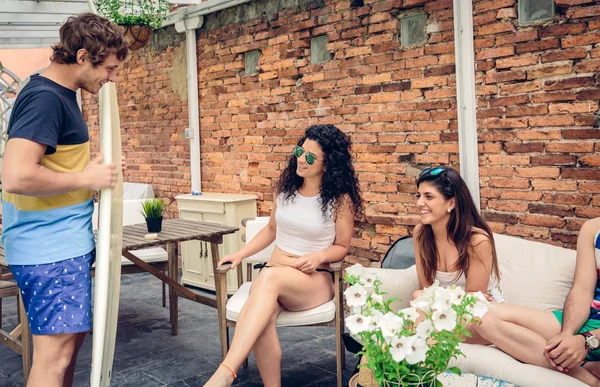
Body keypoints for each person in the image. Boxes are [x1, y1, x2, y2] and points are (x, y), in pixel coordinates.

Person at [1, 13, 128, 387]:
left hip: (59, 246)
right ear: (84, 56)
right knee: (53, 360)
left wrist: (84, 174)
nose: (112, 78)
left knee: (67, 349)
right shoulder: (44, 98)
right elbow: (16, 174)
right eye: (109, 68)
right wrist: (84, 177)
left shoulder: (62, 93)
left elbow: (50, 165)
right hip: (48, 250)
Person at [204, 124, 364, 387]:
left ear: (328, 164)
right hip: (276, 277)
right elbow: (271, 230)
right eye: (300, 151)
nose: (301, 159)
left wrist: (319, 256)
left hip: (313, 280)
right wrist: (240, 254)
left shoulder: (340, 200)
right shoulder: (285, 190)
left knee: (267, 281)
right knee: (260, 320)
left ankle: (224, 374)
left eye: (310, 157)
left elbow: (342, 247)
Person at [477, 217, 600, 386]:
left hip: (593, 336)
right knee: (483, 314)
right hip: (589, 321)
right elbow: (582, 289)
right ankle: (585, 375)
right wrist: (567, 334)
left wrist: (587, 341)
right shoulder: (593, 228)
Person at [413, 167, 503, 304]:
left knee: (417, 295)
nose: (419, 203)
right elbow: (426, 291)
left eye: (428, 196)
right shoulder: (420, 233)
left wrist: (428, 297)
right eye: (418, 196)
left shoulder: (477, 241)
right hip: (440, 309)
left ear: (451, 202)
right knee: (417, 295)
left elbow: (475, 301)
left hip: (478, 312)